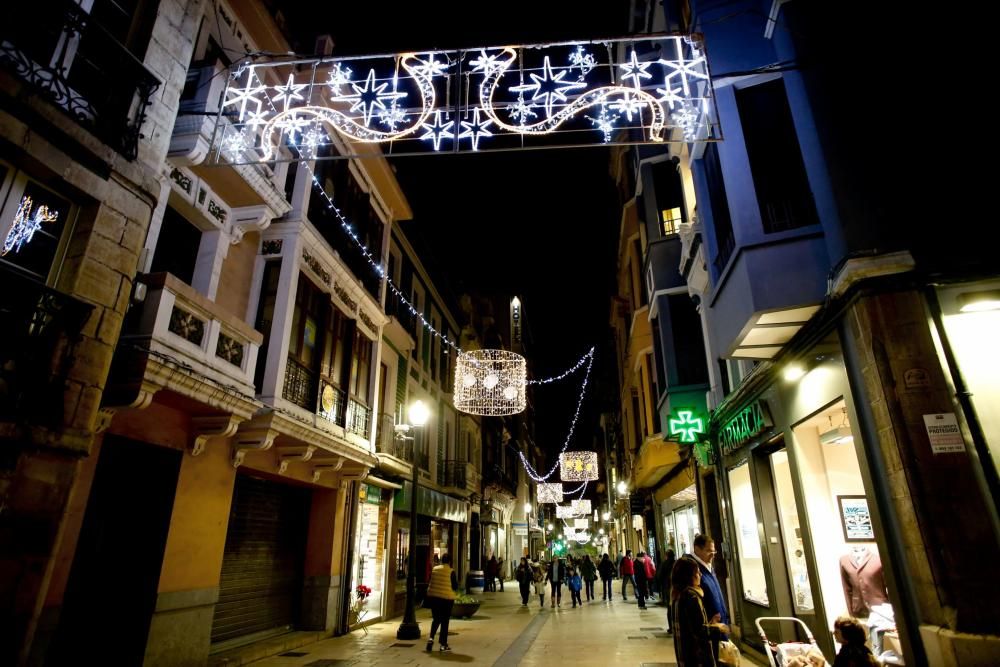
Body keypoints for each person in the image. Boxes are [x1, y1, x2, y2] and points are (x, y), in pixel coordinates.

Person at [672, 556, 727, 666]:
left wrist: (711, 622)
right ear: (688, 577)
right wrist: (718, 628)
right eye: (697, 573)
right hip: (697, 658)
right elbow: (701, 632)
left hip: (685, 656)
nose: (700, 575)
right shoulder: (692, 597)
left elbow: (690, 626)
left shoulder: (678, 596)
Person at [686, 535, 730, 639]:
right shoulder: (692, 569)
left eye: (714, 551)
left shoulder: (708, 565)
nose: (713, 555)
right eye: (709, 551)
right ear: (697, 549)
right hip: (708, 631)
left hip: (718, 626)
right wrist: (707, 624)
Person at [425, 553, 458, 653]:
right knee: (445, 621)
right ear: (449, 562)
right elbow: (455, 586)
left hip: (434, 598)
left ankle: (431, 639)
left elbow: (431, 582)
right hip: (446, 599)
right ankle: (443, 645)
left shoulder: (435, 569)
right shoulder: (451, 571)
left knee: (436, 619)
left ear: (441, 560)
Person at [660, 549, 677, 629]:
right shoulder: (676, 563)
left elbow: (660, 576)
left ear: (666, 555)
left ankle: (671, 627)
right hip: (677, 587)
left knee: (669, 607)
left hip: (668, 587)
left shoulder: (664, 564)